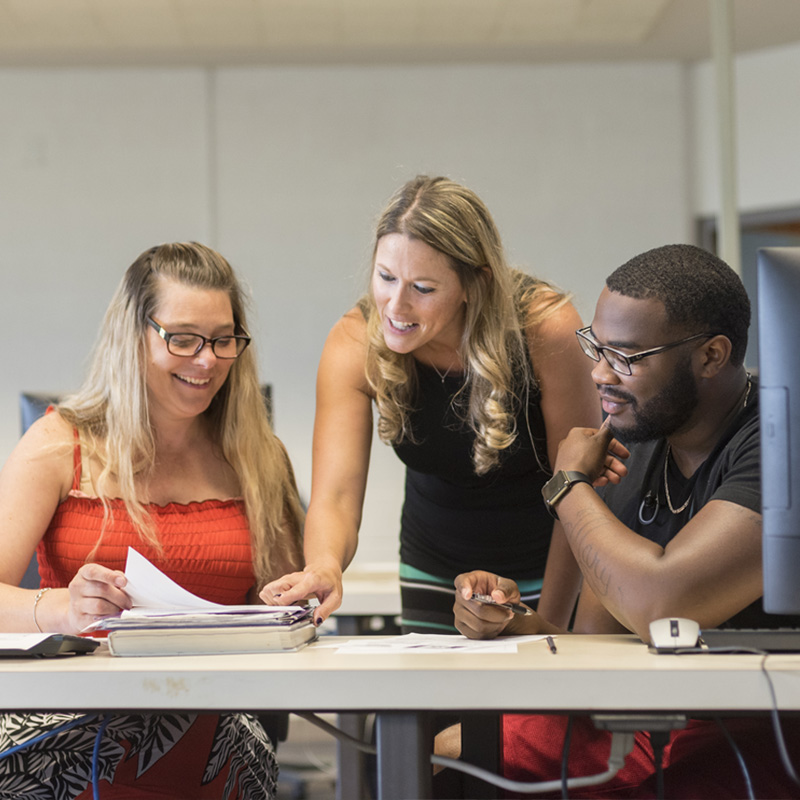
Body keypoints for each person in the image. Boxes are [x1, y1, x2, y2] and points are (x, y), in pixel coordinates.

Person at [453, 243, 800, 799]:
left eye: (626, 357)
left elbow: (665, 604)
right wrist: (510, 620)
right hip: (657, 724)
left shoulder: (779, 443)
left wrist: (569, 486)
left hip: (756, 732)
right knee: (442, 744)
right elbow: (598, 642)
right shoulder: (637, 444)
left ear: (712, 356)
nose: (597, 374)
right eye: (597, 347)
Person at [0, 242, 304, 800]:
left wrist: (297, 598)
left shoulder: (260, 457)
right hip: (74, 712)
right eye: (183, 338)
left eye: (222, 339)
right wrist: (64, 607)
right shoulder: (58, 443)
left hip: (216, 715)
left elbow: (290, 612)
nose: (207, 359)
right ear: (133, 336)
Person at [262, 175, 600, 633]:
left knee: (538, 699)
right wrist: (324, 566)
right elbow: (336, 495)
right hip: (435, 556)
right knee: (437, 701)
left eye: (422, 288)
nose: (395, 306)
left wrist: (550, 625)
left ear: (474, 283)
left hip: (552, 556)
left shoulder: (545, 328)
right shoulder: (355, 340)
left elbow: (578, 485)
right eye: (385, 277)